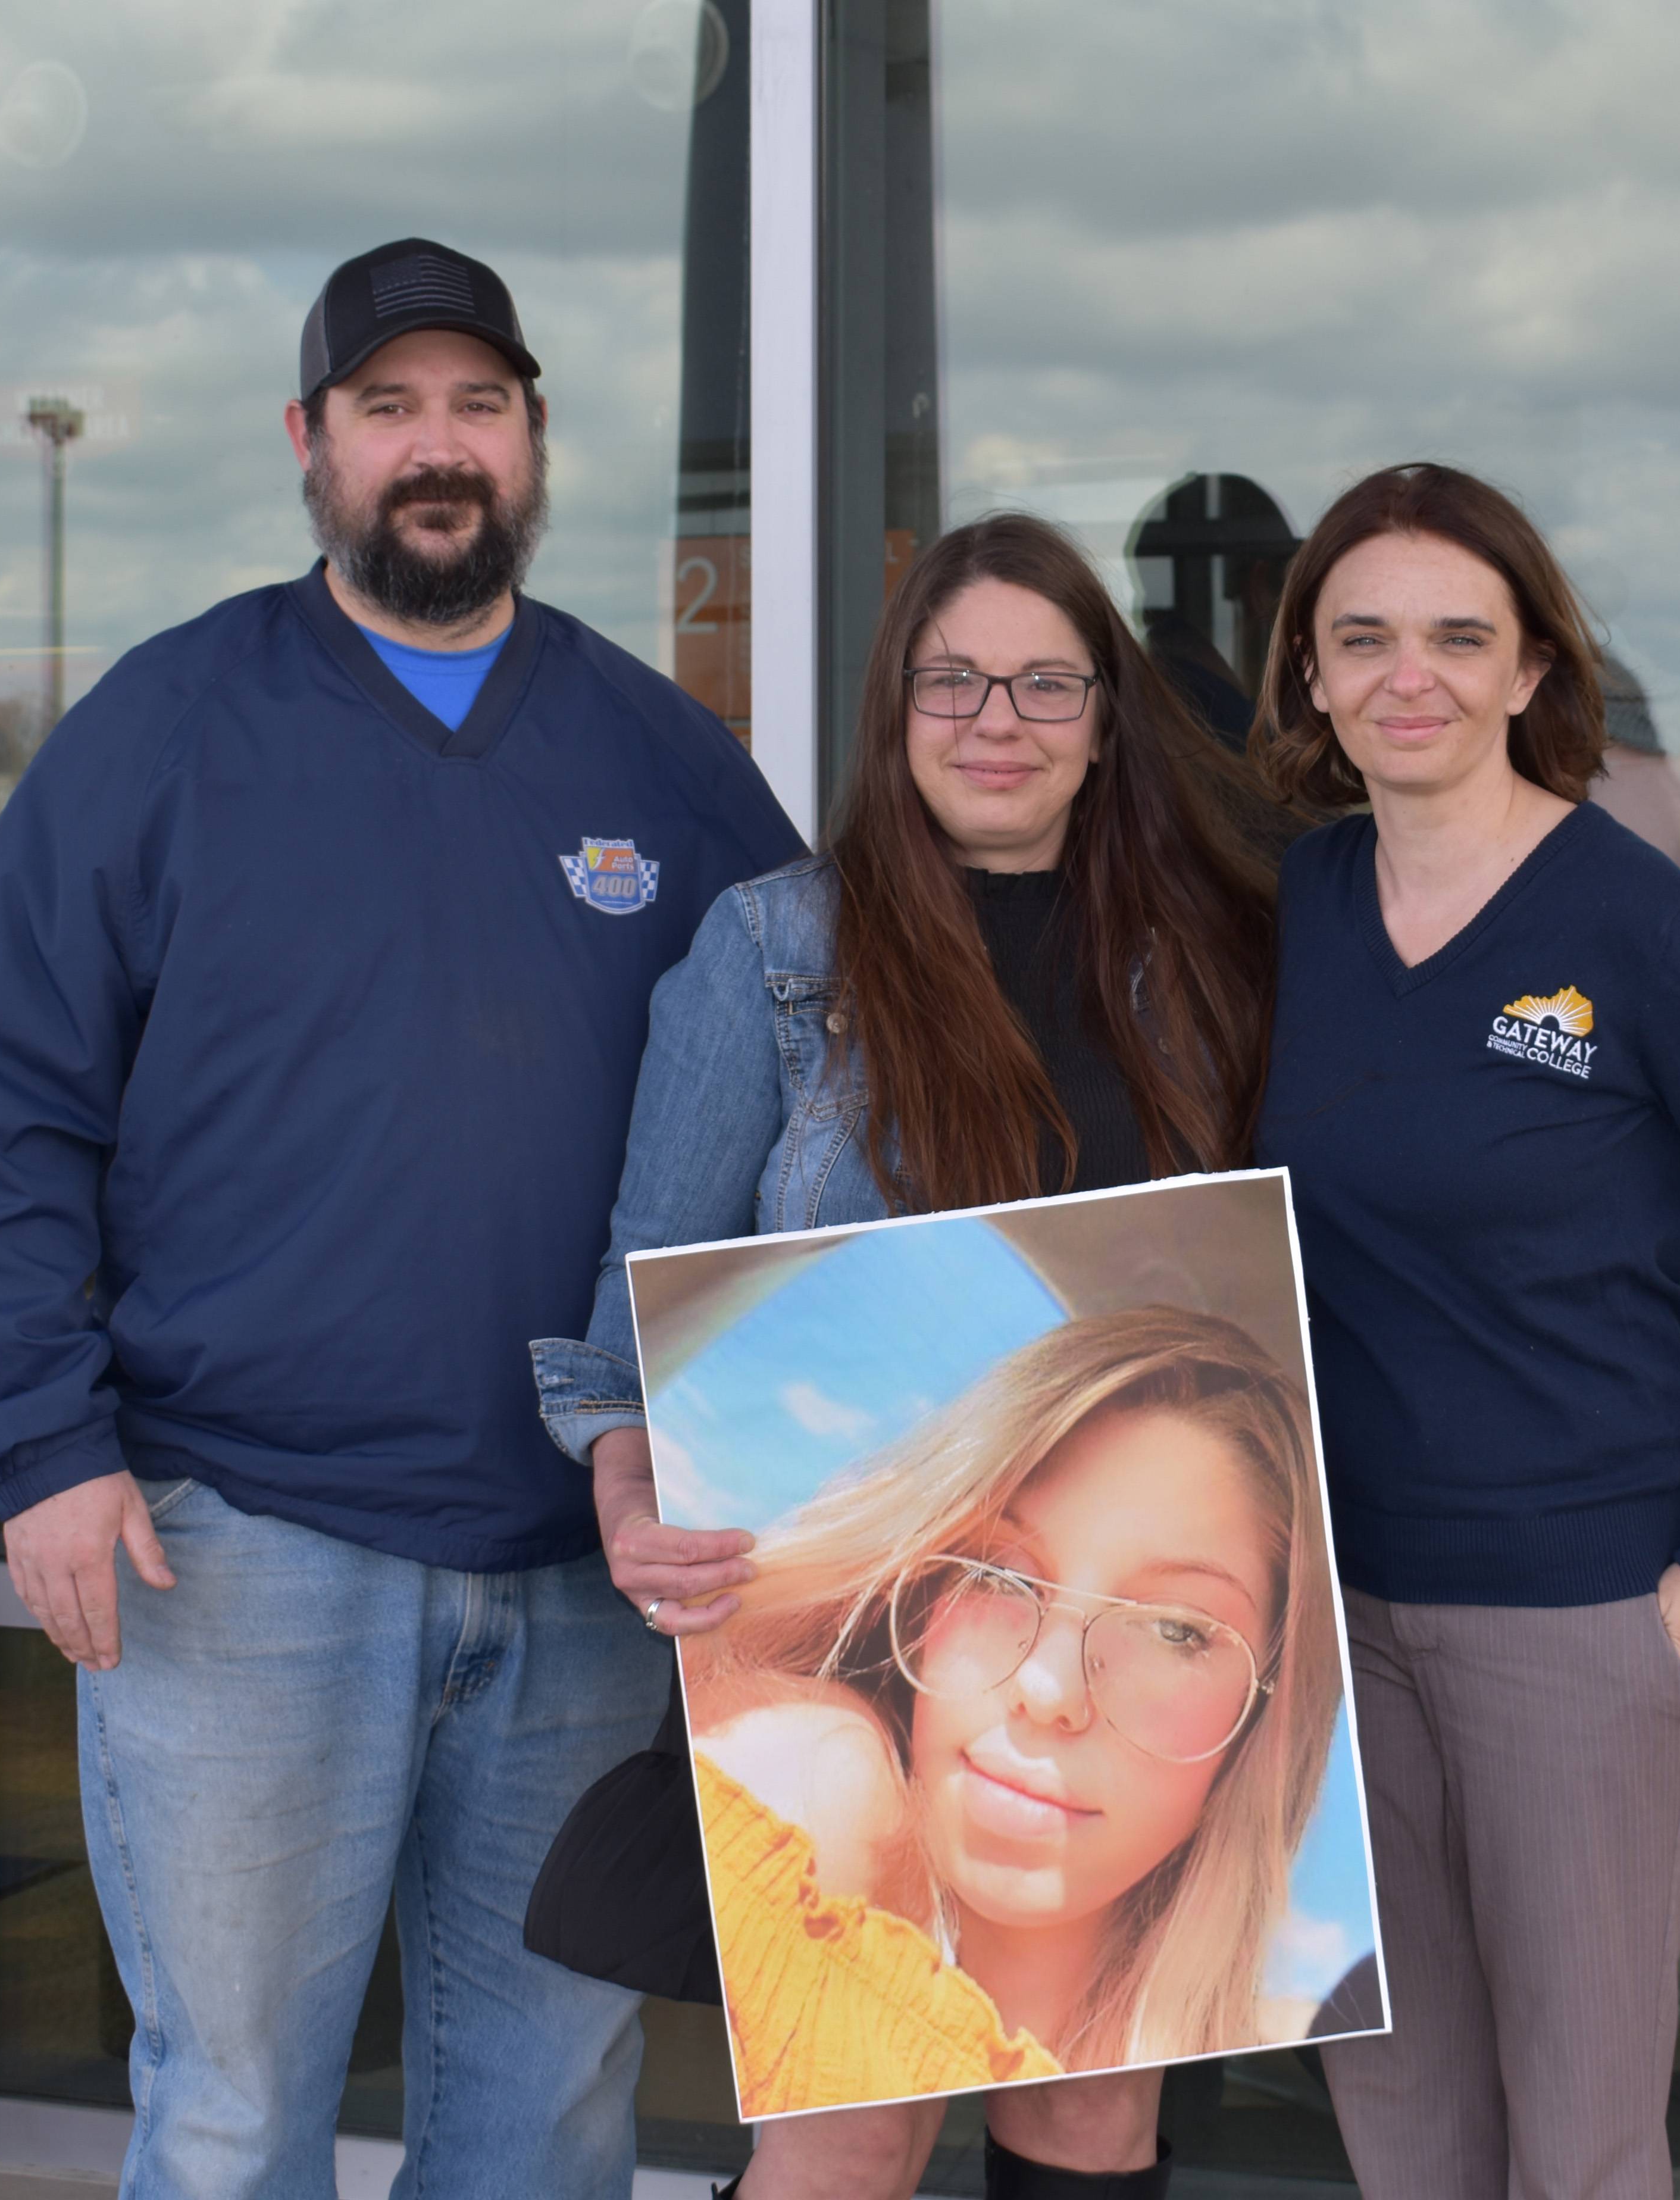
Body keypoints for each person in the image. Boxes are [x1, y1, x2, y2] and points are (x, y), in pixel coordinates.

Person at [0, 236, 802, 2199]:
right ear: (312, 442)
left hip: (586, 1566)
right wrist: (36, 1444)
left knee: (548, 2122)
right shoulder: (166, 731)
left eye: (477, 404)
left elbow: (819, 1105)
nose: (435, 446)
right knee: (230, 2120)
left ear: (536, 442)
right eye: (389, 408)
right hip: (243, 1553)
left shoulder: (667, 761)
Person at [531, 511, 1278, 2200]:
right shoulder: (770, 952)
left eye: (1040, 680)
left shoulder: (1210, 957)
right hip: (859, 1602)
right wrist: (625, 1483)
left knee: (1092, 2112)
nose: (994, 717)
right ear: (895, 709)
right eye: (952, 678)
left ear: (1104, 716)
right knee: (852, 2115)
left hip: (1108, 1628)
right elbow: (635, 1295)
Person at [1248, 462, 1680, 2200]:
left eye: (1462, 636)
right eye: (1363, 637)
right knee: (1407, 2131)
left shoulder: (1644, 926)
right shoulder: (1295, 906)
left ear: (1534, 670)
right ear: (1309, 670)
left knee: (1581, 2152)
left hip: (1583, 1622)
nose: (1411, 676)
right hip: (1335, 1626)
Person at [685, 1305, 1337, 2115]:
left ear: (1265, 1716)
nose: (1052, 1689)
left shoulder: (1273, 2056)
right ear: (924, 1590)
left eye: (1175, 1630)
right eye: (999, 1574)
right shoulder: (812, 1781)